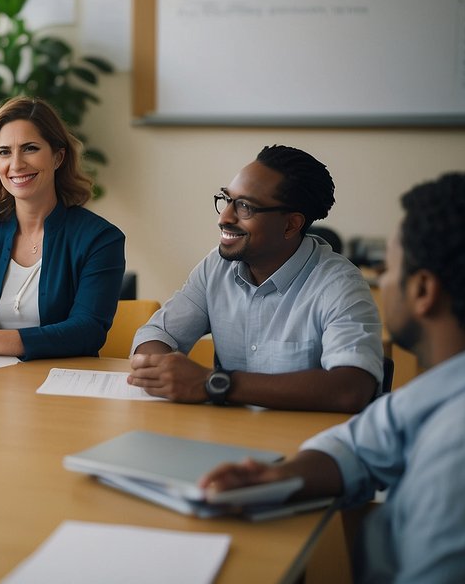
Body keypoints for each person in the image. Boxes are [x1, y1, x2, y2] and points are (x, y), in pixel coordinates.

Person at [201, 170, 465, 584]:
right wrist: (281, 477)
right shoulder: (458, 382)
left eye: (389, 268)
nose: (381, 280)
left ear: (423, 291)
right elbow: (360, 445)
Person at [128, 145, 383, 412]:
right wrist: (159, 370)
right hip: (227, 431)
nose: (224, 217)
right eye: (227, 199)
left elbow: (351, 388)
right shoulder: (216, 266)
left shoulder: (340, 284)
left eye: (245, 207)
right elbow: (158, 333)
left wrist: (214, 383)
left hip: (304, 436)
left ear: (291, 225)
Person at [0, 96, 125, 359]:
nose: (16, 164)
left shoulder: (101, 239)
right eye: (4, 152)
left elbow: (87, 331)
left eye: (30, 148)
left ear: (58, 157)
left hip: (62, 378)